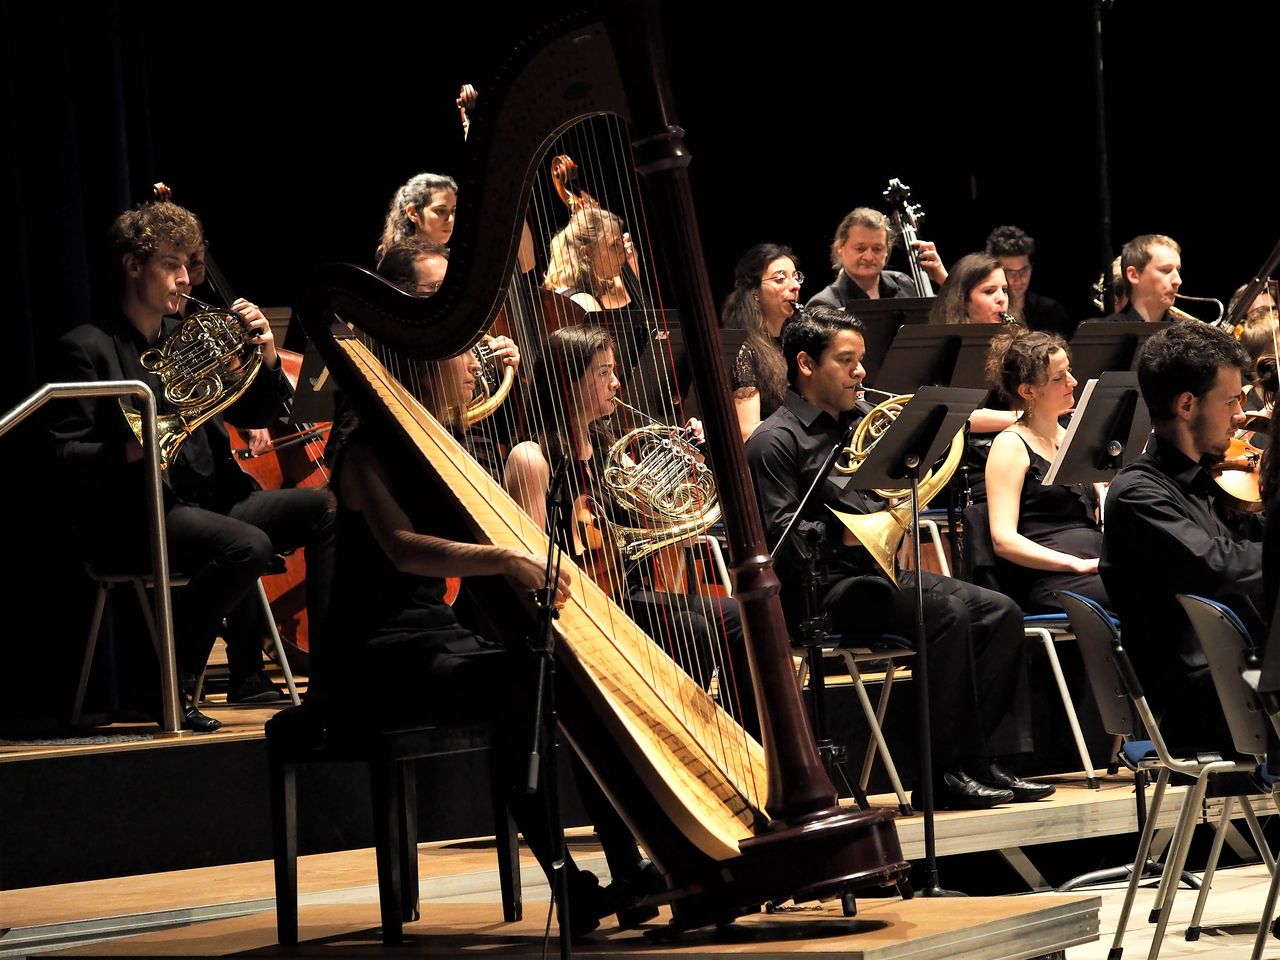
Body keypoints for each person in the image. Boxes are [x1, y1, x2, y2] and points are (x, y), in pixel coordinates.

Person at [321, 369, 651, 939]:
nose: (475, 363)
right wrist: (504, 559)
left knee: (556, 672)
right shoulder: (364, 445)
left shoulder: (427, 436)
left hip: (433, 636)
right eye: (459, 351)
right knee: (523, 682)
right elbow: (402, 550)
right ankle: (566, 882)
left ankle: (627, 866)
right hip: (375, 658)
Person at [746, 307, 1053, 809]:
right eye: (846, 362)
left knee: (1000, 611)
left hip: (875, 576)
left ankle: (985, 760)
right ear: (805, 364)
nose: (861, 373)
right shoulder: (774, 441)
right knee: (944, 615)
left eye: (861, 360)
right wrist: (849, 537)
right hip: (820, 593)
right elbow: (783, 538)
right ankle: (940, 775)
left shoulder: (859, 423)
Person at [48, 201, 335, 730]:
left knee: (324, 508)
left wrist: (266, 357)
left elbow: (258, 411)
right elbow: (65, 457)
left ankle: (335, 676)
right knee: (245, 545)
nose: (186, 279)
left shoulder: (187, 340)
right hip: (133, 514)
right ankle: (165, 681)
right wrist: (135, 448)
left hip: (210, 503)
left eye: (188, 265)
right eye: (172, 264)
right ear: (134, 266)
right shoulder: (88, 348)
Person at [503, 326, 757, 736]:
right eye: (603, 373)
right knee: (694, 628)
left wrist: (687, 458)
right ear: (568, 382)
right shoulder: (532, 457)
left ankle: (748, 741)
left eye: (613, 370)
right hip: (583, 606)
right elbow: (533, 564)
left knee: (738, 615)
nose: (616, 383)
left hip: (623, 591)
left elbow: (649, 519)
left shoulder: (605, 445)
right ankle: (672, 735)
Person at [1101, 323, 1263, 753]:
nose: (1240, 416)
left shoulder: (1220, 479)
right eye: (1230, 401)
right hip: (1204, 698)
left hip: (1245, 678)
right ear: (1187, 405)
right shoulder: (1139, 494)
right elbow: (1219, 566)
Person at [983, 329, 1109, 613]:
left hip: (1093, 565)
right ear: (1028, 391)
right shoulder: (1010, 445)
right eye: (1058, 378)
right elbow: (1003, 540)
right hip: (1051, 578)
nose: (1072, 382)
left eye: (1069, 372)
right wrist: (1073, 563)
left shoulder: (1073, 439)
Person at [928, 252, 1021, 499]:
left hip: (1008, 449)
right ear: (963, 301)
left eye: (1004, 289)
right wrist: (1021, 418)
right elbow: (957, 416)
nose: (1002, 299)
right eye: (989, 291)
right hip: (967, 462)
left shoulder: (1010, 343)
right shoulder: (946, 349)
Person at [722, 243, 802, 440]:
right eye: (780, 279)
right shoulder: (744, 349)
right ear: (755, 292)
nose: (795, 285)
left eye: (795, 276)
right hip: (770, 457)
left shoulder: (794, 341)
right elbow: (747, 430)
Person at [807, 206, 947, 308]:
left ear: (887, 251)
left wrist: (944, 280)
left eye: (877, 249)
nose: (868, 257)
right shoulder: (825, 305)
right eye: (860, 248)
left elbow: (952, 315)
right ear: (840, 249)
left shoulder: (904, 283)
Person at [984, 225, 1075, 339]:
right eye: (1009, 272)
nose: (1018, 279)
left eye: (1024, 270)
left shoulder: (1050, 311)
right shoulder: (988, 313)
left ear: (1031, 267)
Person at [1098, 234, 1182, 323]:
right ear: (1133, 275)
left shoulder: (1189, 333)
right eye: (1165, 270)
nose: (1178, 281)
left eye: (1178, 270)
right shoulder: (1099, 331)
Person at [375, 172, 458, 262]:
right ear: (413, 213)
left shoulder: (444, 257)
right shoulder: (402, 262)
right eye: (440, 211)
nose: (451, 219)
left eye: (453, 211)